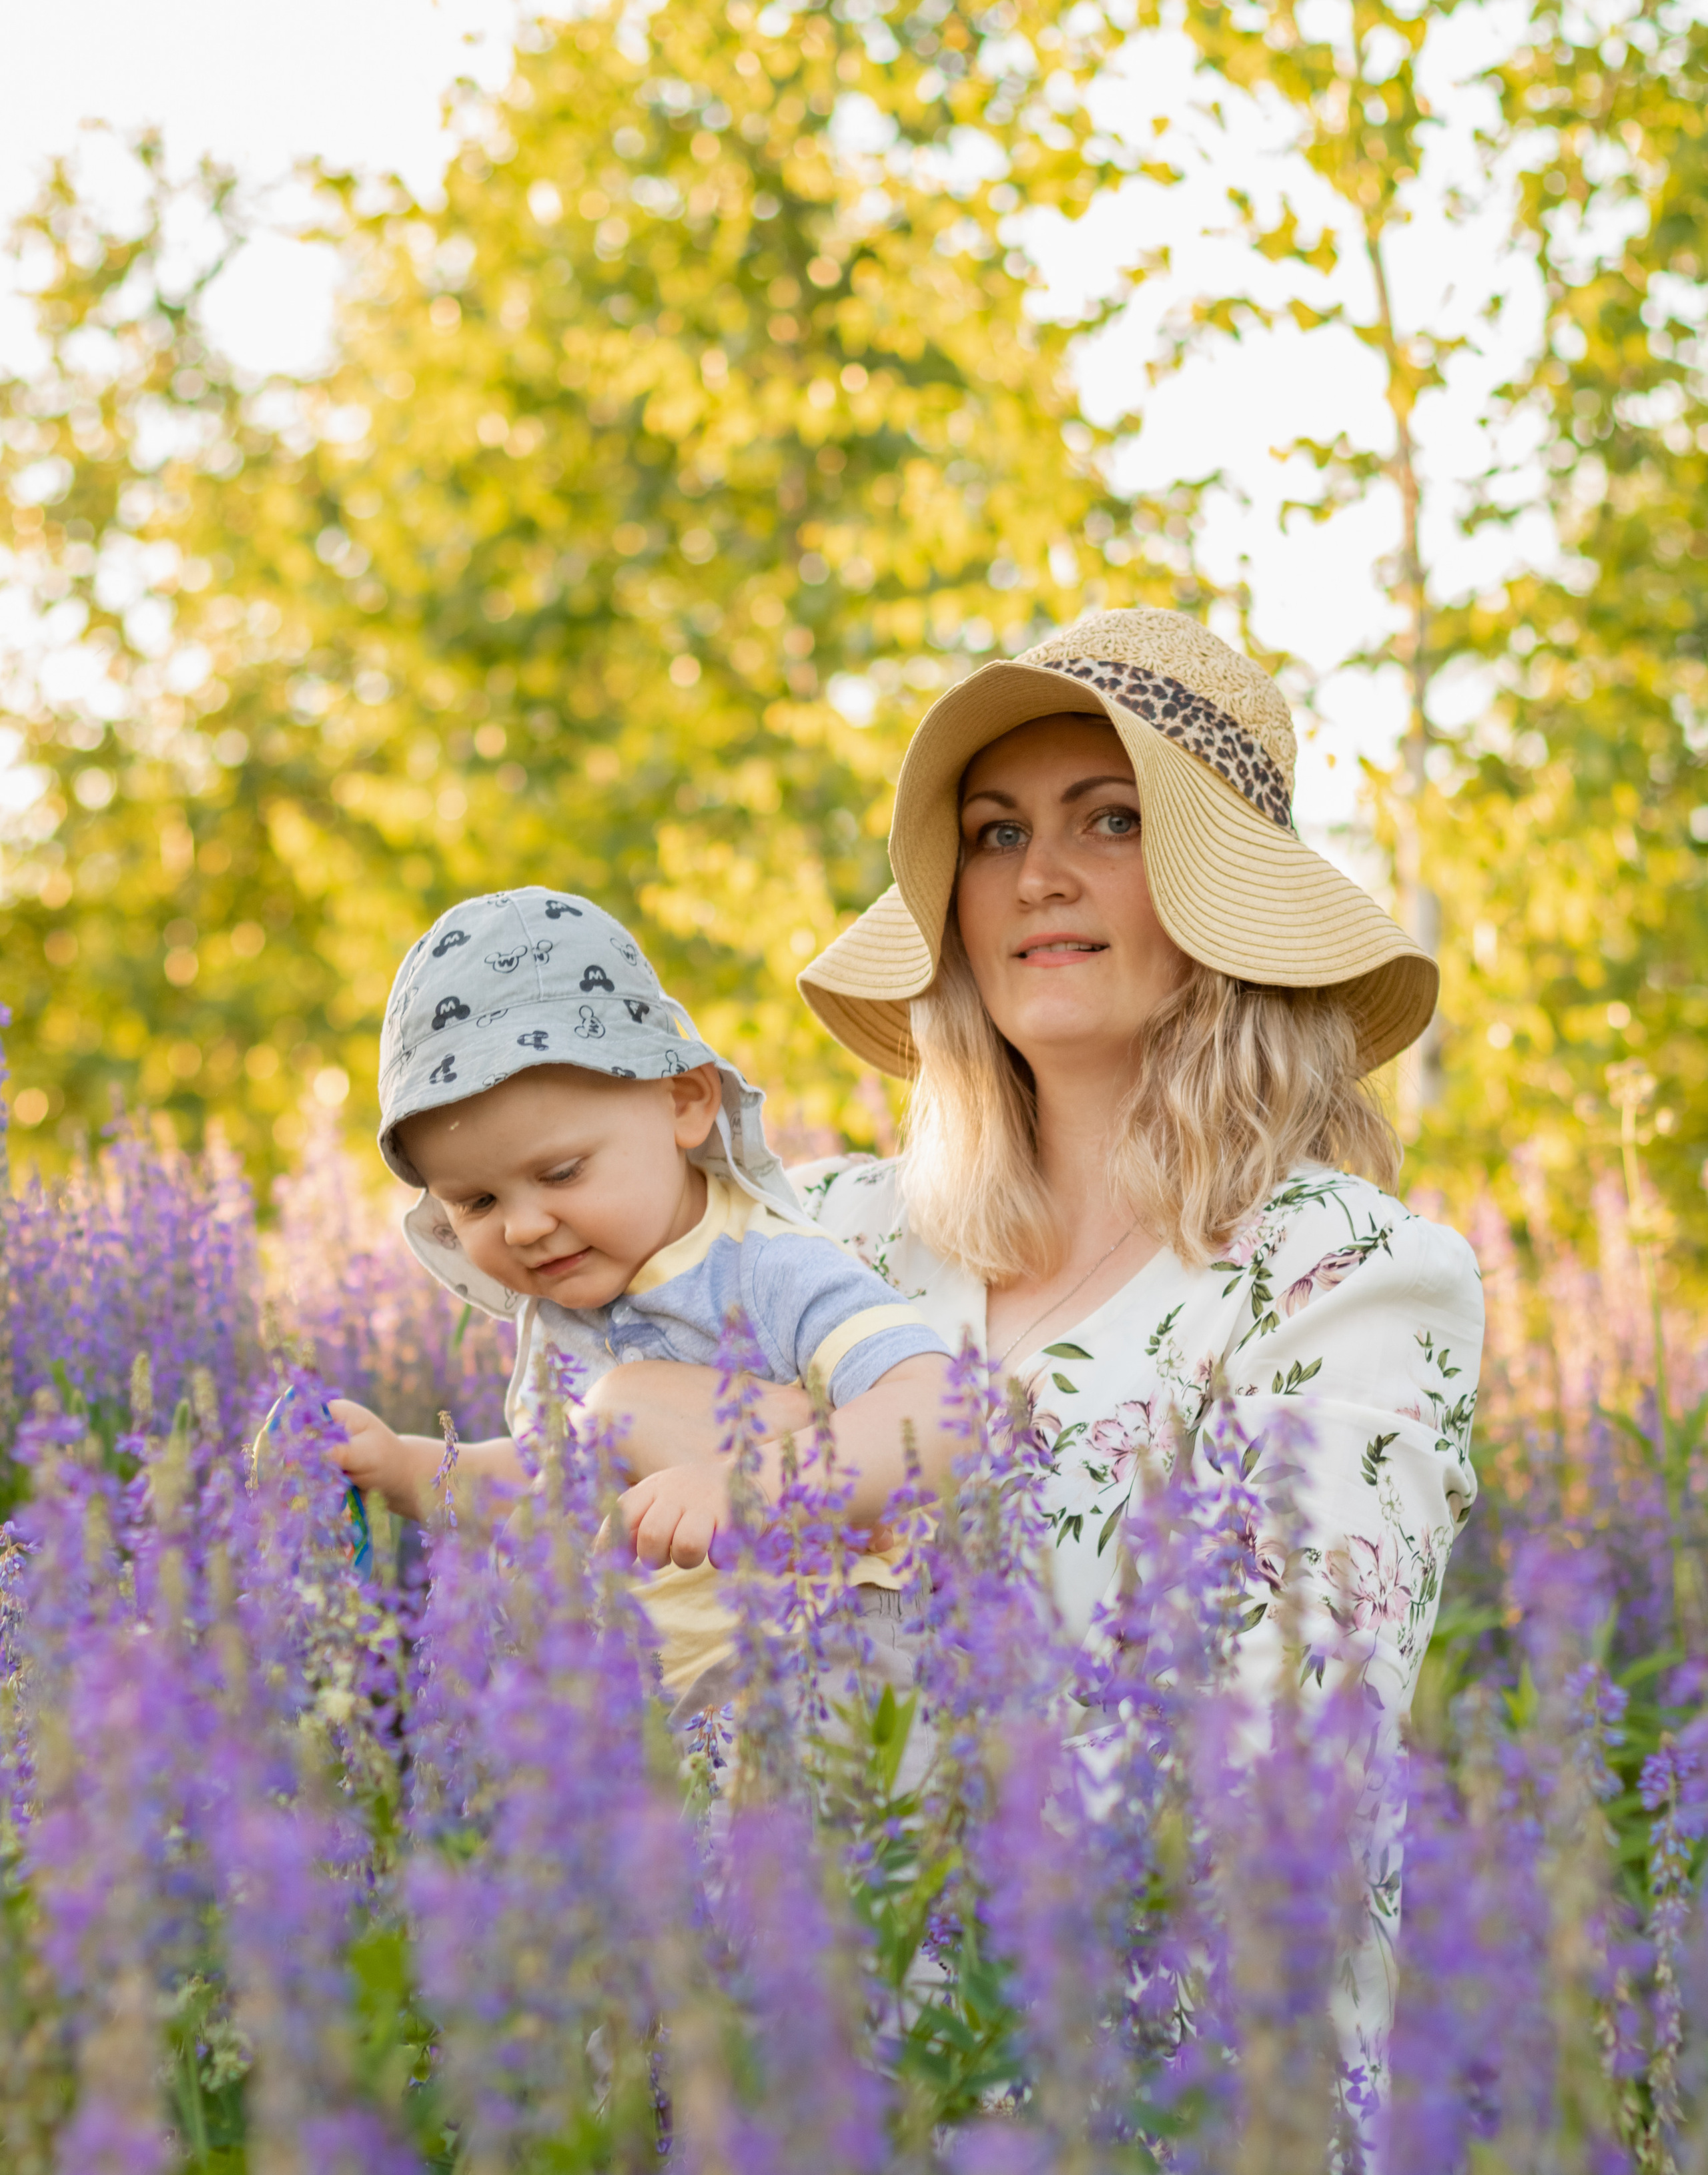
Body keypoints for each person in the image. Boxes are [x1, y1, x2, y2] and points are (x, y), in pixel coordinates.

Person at [593, 605, 1486, 2037]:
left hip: (1165, 2103)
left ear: (1222, 893)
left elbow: (1264, 1784)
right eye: (994, 833)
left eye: (1112, 821)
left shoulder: (1348, 1274)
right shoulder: (836, 1234)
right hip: (781, 2080)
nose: (1038, 876)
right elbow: (579, 1467)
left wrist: (828, 1494)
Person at [328, 887, 953, 1699]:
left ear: (683, 1104)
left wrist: (744, 1484)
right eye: (477, 1203)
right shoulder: (563, 1320)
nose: (522, 1227)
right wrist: (404, 1467)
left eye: (561, 1173)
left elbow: (940, 1409)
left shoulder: (763, 1266)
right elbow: (545, 1482)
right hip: (662, 1704)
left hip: (828, 1653)